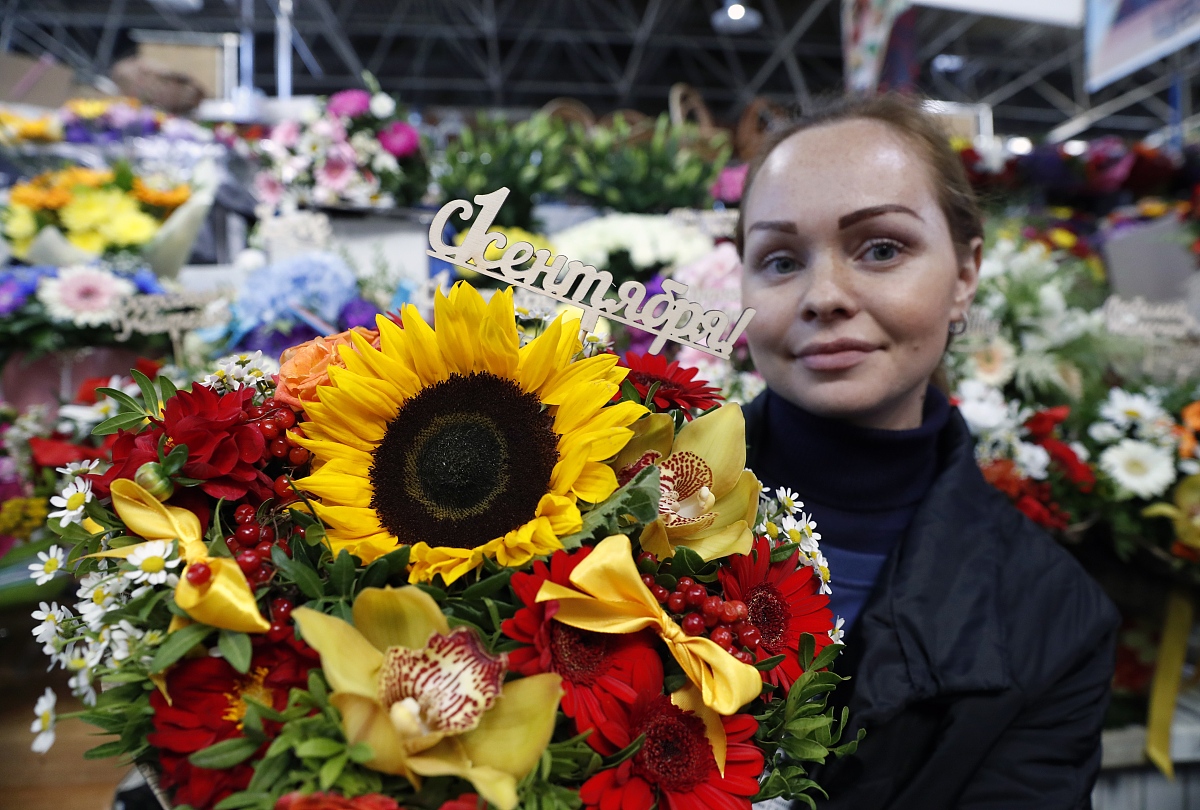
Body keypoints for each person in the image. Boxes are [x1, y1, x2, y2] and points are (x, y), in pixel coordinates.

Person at [737, 94, 1119, 809]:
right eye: (781, 260)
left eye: (881, 249)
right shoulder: (611, 505)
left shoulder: (1053, 617)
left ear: (965, 276)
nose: (824, 296)